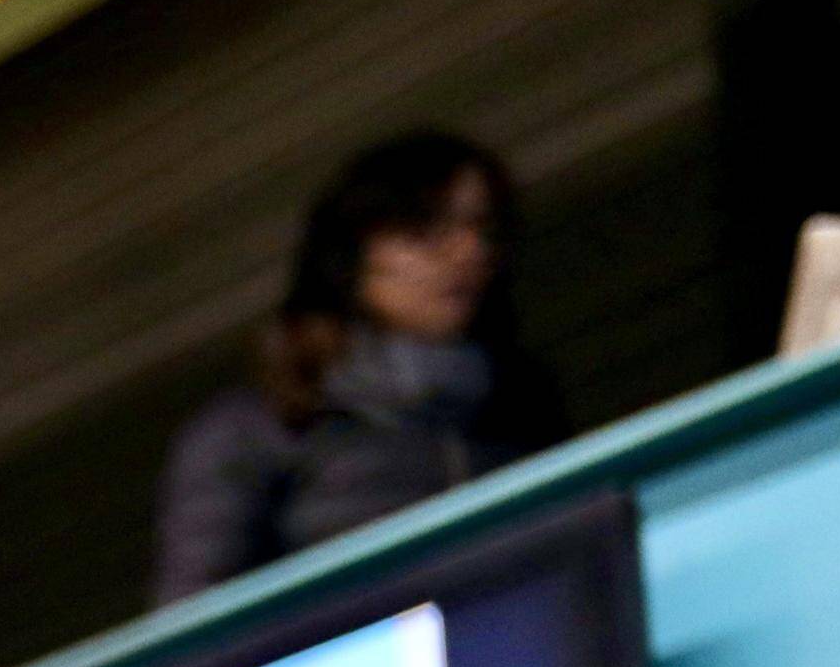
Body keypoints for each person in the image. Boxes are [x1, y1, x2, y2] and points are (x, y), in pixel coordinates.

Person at [154, 129, 563, 602]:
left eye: (484, 229)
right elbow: (195, 616)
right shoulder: (255, 427)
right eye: (424, 228)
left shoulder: (522, 411)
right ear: (354, 251)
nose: (469, 251)